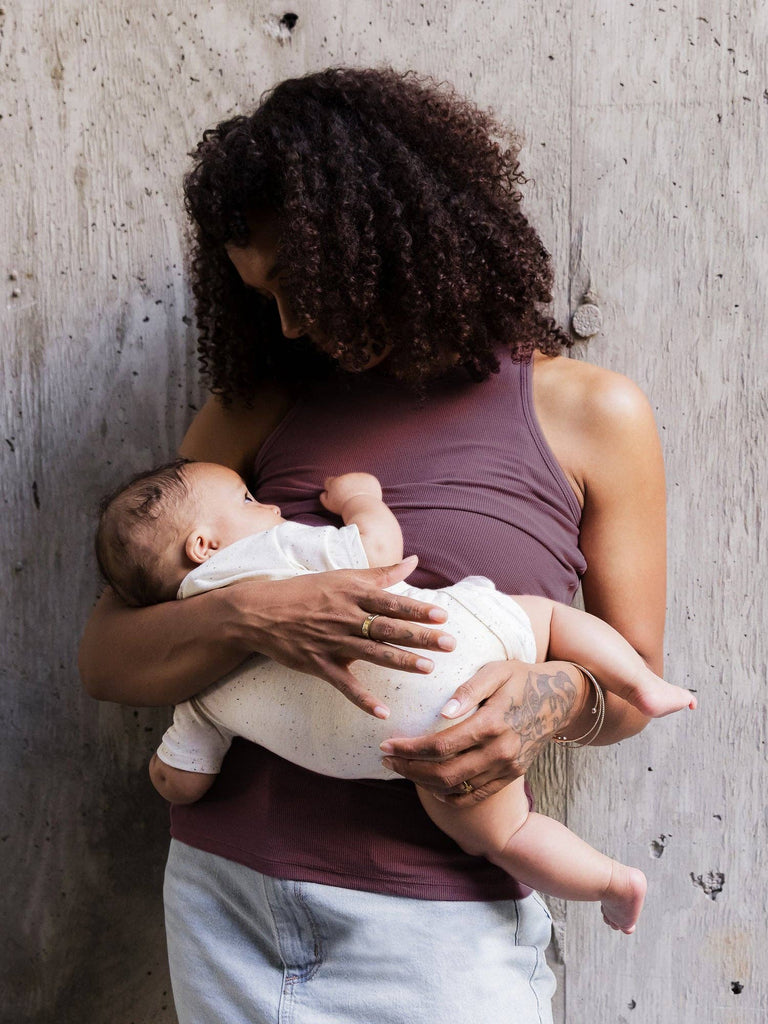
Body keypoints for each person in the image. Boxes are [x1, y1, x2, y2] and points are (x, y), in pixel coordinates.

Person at [80, 67, 669, 1023]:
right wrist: (258, 615)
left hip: (440, 932)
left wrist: (552, 697)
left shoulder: (591, 413)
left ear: (387, 241)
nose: (288, 325)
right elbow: (106, 657)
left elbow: (633, 687)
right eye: (262, 298)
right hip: (225, 901)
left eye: (300, 286)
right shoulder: (256, 409)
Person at [97, 460, 692, 933]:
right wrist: (361, 501)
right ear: (203, 545)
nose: (272, 506)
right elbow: (376, 552)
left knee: (503, 837)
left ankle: (612, 883)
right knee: (552, 621)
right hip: (454, 644)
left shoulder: (195, 676)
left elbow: (185, 777)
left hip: (418, 746)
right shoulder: (272, 551)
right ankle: (643, 680)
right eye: (248, 501)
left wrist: (163, 772)